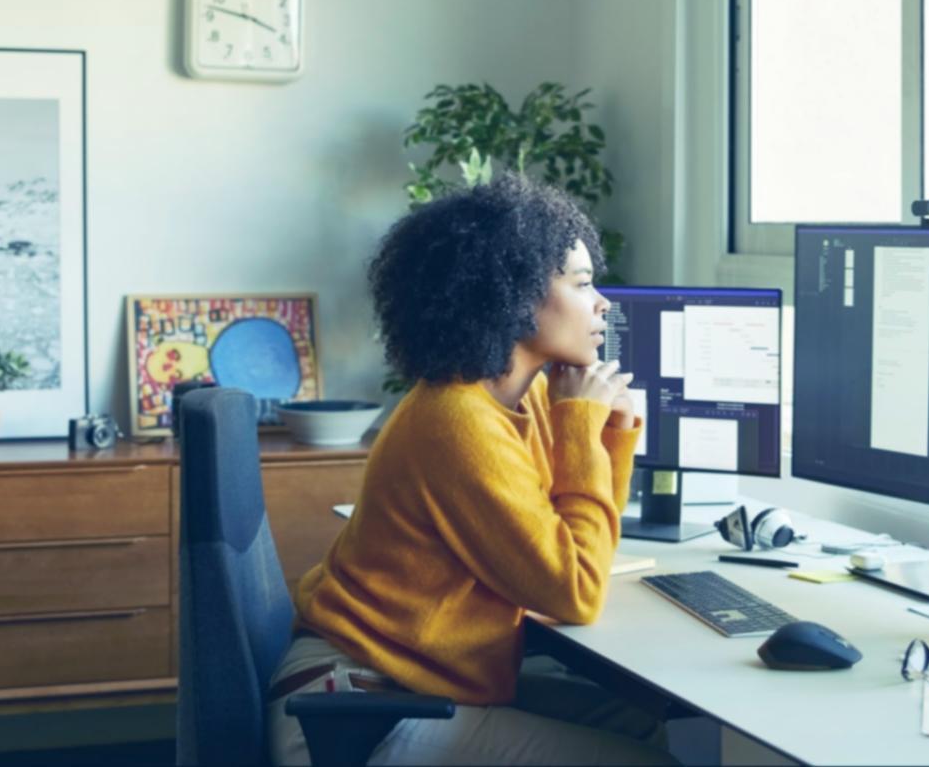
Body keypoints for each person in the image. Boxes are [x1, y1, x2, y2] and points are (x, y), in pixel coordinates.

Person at [266, 175, 672, 766]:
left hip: (413, 681)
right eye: (583, 284)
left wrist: (607, 432)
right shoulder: (457, 420)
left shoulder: (520, 398)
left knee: (639, 723)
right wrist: (589, 429)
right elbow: (575, 591)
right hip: (351, 713)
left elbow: (579, 548)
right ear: (513, 295)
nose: (603, 303)